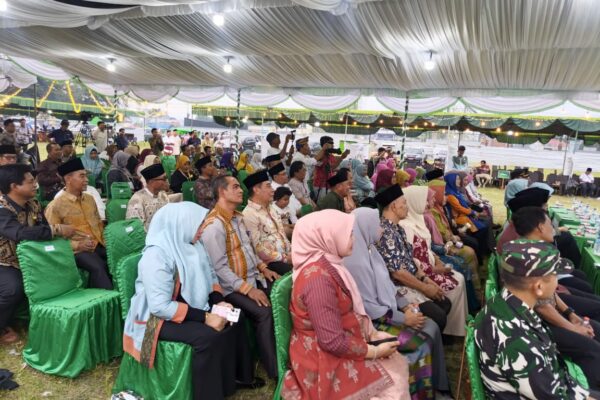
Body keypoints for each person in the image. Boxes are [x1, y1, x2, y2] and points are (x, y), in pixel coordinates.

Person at [123, 202, 262, 400]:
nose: (203, 228)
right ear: (181, 225)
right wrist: (206, 317)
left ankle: (238, 378)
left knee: (235, 318)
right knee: (207, 337)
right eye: (199, 225)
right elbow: (160, 307)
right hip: (156, 319)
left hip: (192, 305)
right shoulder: (156, 256)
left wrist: (218, 302)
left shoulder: (193, 244)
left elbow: (211, 274)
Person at [281, 209, 411, 400]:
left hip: (339, 341)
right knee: (394, 382)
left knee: (395, 364)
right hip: (322, 357)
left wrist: (371, 337)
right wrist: (374, 351)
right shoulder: (318, 281)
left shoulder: (330, 265)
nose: (354, 239)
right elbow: (331, 341)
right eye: (348, 234)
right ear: (327, 238)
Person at [345, 207, 450, 397]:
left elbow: (389, 286)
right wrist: (404, 318)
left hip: (390, 311)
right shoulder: (355, 262)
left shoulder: (371, 251)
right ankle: (422, 393)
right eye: (376, 225)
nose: (381, 229)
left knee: (432, 326)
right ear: (365, 227)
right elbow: (368, 308)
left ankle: (439, 385)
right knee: (423, 340)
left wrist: (405, 305)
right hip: (373, 323)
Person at [474, 240, 594, 399]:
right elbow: (555, 396)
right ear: (538, 287)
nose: (557, 282)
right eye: (555, 275)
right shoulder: (517, 338)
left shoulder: (504, 301)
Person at [201, 175, 278, 379]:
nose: (241, 190)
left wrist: (263, 267)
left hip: (252, 277)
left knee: (281, 292)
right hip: (230, 288)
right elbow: (218, 268)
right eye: (235, 187)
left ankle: (287, 352)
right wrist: (248, 289)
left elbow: (248, 249)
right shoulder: (214, 226)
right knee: (264, 312)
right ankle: (275, 370)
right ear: (222, 192)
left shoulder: (237, 217)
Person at [0, 164, 75, 344]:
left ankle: (54, 319)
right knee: (12, 289)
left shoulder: (33, 204)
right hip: (5, 261)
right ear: (14, 186)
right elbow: (18, 233)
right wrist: (56, 229)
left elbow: (42, 229)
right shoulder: (2, 209)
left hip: (32, 256)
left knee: (63, 271)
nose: (36, 185)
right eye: (30, 182)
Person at [374, 185, 452, 333]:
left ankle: (432, 337)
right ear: (394, 206)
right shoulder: (385, 233)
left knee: (444, 302)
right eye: (404, 203)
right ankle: (423, 339)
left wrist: (427, 280)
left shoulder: (398, 229)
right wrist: (424, 288)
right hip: (397, 288)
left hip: (410, 281)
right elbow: (398, 273)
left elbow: (410, 262)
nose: (407, 207)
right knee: (439, 315)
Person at [400, 186, 470, 333]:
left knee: (459, 277)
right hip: (422, 273)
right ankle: (450, 330)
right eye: (424, 200)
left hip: (429, 266)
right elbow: (413, 260)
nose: (427, 203)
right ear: (415, 202)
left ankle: (457, 328)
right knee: (456, 284)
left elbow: (427, 248)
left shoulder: (418, 219)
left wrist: (437, 261)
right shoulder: (406, 226)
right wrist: (436, 269)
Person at [45, 158, 112, 290]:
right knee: (98, 267)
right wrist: (77, 245)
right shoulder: (55, 206)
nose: (87, 180)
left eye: (86, 176)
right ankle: (106, 298)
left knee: (117, 260)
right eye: (82, 176)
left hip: (98, 244)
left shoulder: (89, 199)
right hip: (77, 251)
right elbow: (52, 238)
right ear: (68, 179)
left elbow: (99, 224)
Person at [242, 170, 292, 275]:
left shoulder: (271, 208)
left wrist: (292, 252)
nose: (273, 190)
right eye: (268, 186)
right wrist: (285, 258)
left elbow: (281, 234)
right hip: (271, 263)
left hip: (287, 255)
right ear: (256, 190)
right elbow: (257, 248)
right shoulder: (249, 214)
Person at [444, 172, 493, 258]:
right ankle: (484, 251)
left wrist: (473, 211)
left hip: (465, 216)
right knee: (483, 228)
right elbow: (459, 208)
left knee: (485, 225)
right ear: (451, 181)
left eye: (459, 179)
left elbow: (465, 205)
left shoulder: (455, 191)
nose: (459, 181)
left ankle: (487, 249)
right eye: (457, 179)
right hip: (461, 219)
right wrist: (472, 212)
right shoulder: (450, 194)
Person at [126, 164, 171, 231]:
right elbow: (136, 229)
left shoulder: (163, 195)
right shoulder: (137, 200)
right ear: (152, 181)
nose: (167, 181)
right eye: (164, 178)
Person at [312, 136, 349, 201]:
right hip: (320, 185)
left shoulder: (330, 155)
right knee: (323, 204)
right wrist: (341, 158)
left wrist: (342, 157)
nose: (333, 145)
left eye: (333, 143)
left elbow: (333, 167)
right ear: (325, 144)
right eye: (331, 143)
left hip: (329, 184)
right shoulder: (320, 154)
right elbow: (316, 160)